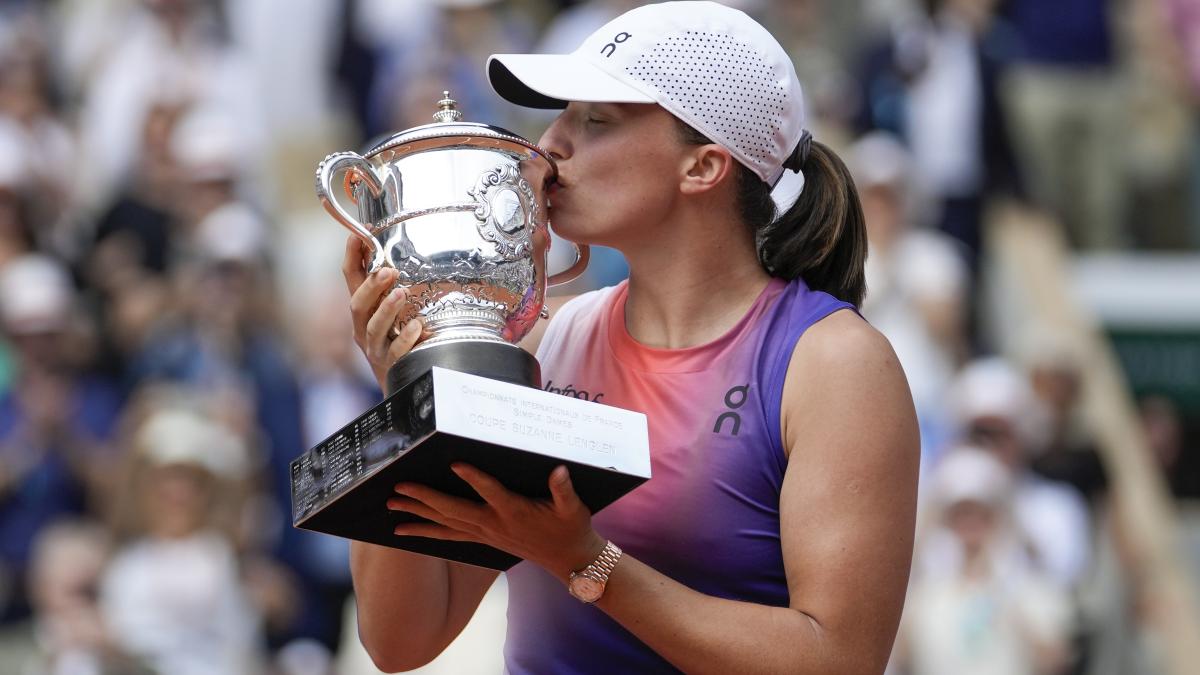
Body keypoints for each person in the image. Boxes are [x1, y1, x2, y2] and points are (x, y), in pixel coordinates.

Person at [342, 3, 919, 673]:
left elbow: (840, 659)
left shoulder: (834, 362)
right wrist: (406, 385)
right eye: (562, 116)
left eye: (595, 121)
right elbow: (401, 639)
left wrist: (586, 561)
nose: (549, 144)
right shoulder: (546, 345)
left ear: (703, 166)